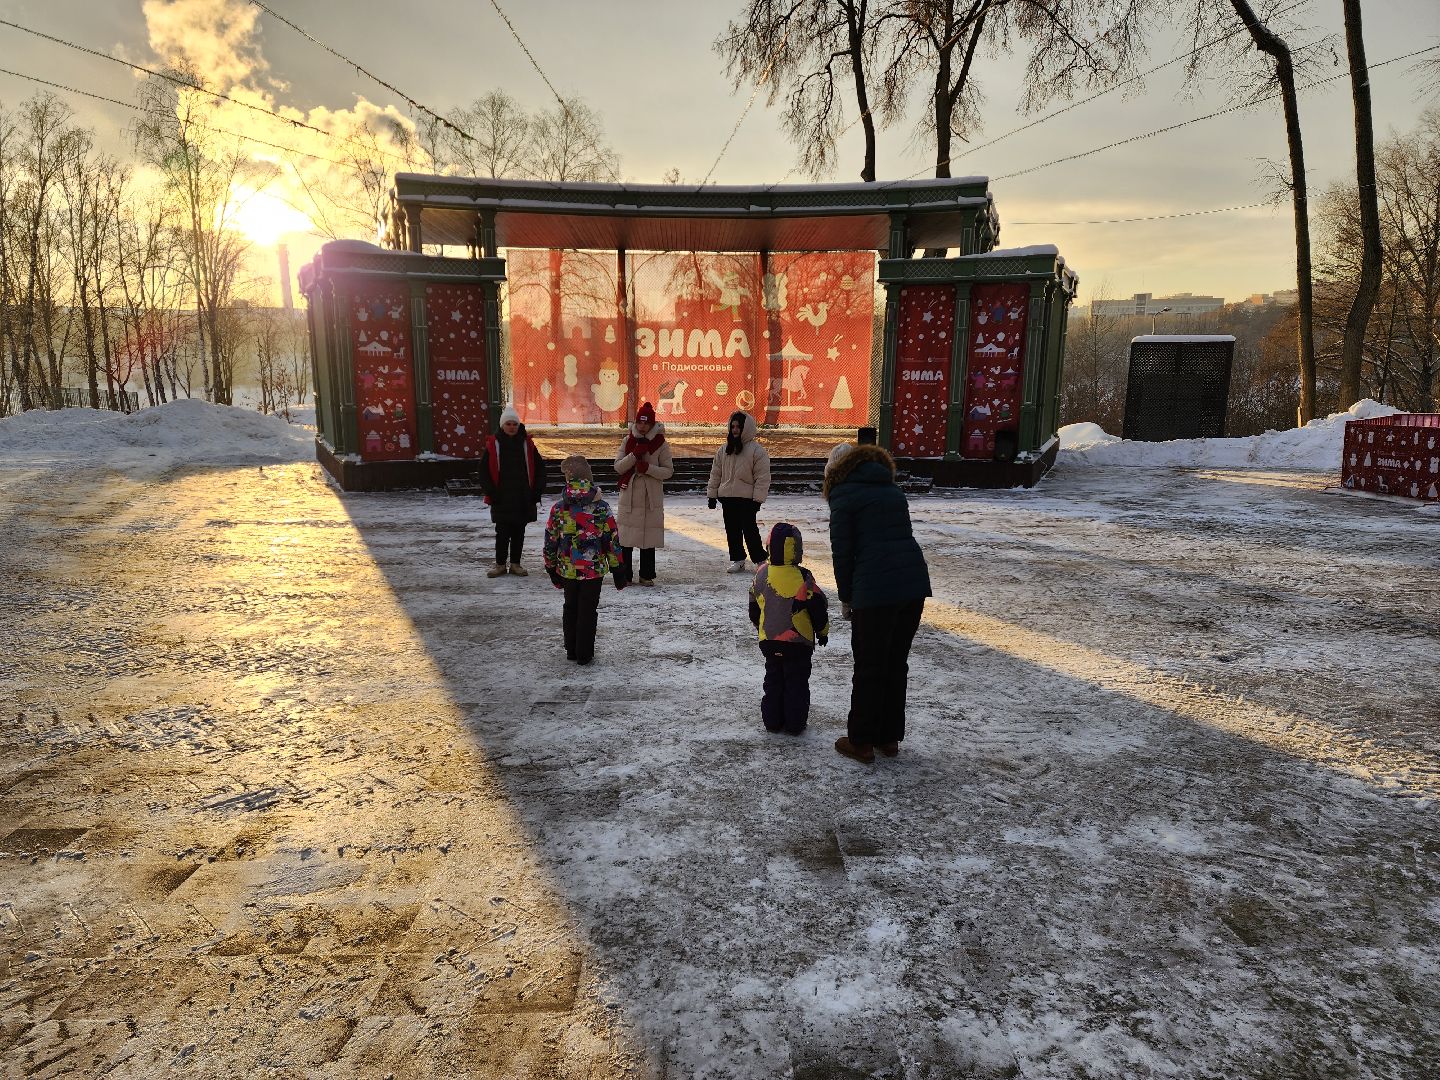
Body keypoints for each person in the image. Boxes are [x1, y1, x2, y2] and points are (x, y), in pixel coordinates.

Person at [824, 443, 931, 763]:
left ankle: (861, 741)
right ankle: (888, 738)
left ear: (836, 471)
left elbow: (843, 554)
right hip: (912, 585)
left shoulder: (843, 496)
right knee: (895, 662)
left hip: (876, 590)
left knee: (869, 666)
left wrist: (846, 598)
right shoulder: (892, 490)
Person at [542, 455, 627, 665]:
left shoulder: (559, 508)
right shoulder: (601, 508)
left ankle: (571, 649)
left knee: (570, 606)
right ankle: (584, 652)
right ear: (589, 478)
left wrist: (550, 566)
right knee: (588, 610)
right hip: (593, 569)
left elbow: (550, 540)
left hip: (567, 567)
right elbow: (612, 540)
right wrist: (618, 568)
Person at [748, 522, 829, 736]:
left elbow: (754, 604)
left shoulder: (761, 574)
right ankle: (794, 724)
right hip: (798, 643)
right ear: (797, 549)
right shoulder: (804, 577)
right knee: (797, 683)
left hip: (769, 639)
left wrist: (760, 626)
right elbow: (818, 607)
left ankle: (772, 722)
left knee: (773, 680)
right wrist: (822, 632)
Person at [478, 405, 545, 577]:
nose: (512, 427)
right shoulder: (493, 445)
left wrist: (536, 492)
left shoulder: (527, 444)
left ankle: (515, 564)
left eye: (514, 424)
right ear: (502, 425)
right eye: (508, 424)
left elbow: (539, 469)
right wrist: (491, 492)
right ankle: (500, 565)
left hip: (522, 497)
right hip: (501, 498)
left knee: (518, 533)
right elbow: (484, 471)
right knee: (502, 533)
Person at [614, 400, 674, 586]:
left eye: (646, 423)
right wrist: (634, 456)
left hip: (650, 497)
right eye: (639, 422)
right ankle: (625, 575)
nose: (642, 426)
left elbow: (668, 471)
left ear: (652, 424)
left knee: (648, 539)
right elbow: (618, 467)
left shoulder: (661, 444)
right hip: (629, 495)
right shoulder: (628, 441)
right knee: (626, 538)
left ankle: (646, 574)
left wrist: (648, 468)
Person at [706, 410, 771, 573]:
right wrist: (712, 495)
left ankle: (759, 560)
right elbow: (716, 473)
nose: (735, 430)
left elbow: (763, 477)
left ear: (746, 428)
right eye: (733, 426)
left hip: (747, 499)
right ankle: (738, 559)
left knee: (750, 531)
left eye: (739, 427)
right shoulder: (724, 450)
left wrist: (757, 499)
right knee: (732, 531)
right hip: (727, 497)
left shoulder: (757, 451)